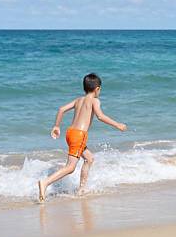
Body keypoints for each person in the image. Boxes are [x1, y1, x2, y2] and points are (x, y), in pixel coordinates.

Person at [38, 73, 126, 202]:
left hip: (70, 133)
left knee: (89, 158)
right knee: (70, 167)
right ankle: (45, 182)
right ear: (97, 89)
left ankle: (81, 189)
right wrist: (117, 125)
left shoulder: (78, 100)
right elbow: (100, 116)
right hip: (79, 135)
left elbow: (61, 109)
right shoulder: (95, 100)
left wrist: (56, 126)